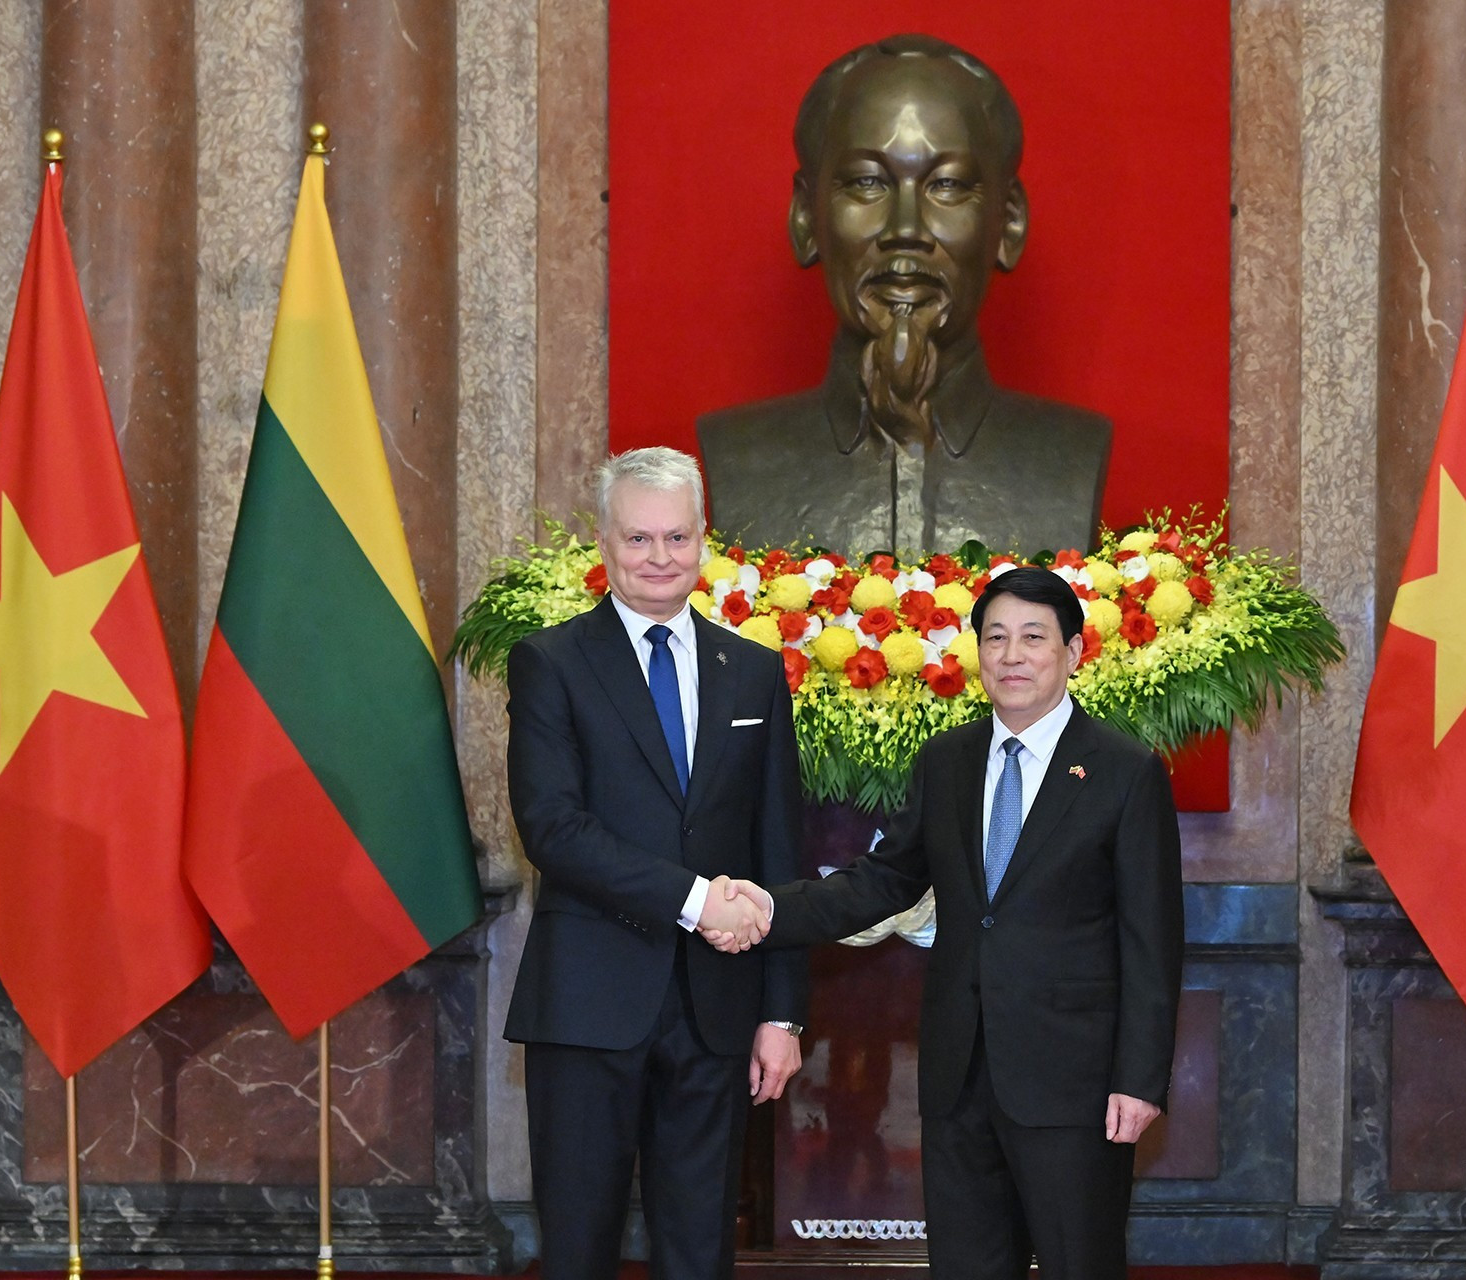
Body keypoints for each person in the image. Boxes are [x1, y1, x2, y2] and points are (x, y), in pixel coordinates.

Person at [710, 567, 1183, 1280]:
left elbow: (1153, 942)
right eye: (996, 638)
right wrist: (770, 908)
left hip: (1074, 1083)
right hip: (960, 1075)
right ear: (977, 654)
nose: (1012, 656)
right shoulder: (947, 762)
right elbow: (886, 881)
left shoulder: (1124, 771)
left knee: (1078, 1263)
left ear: (1075, 654)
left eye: (1033, 638)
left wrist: (1140, 1080)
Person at [503, 446, 807, 1280]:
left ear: (704, 540)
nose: (660, 559)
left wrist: (783, 1015)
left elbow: (779, 847)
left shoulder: (751, 671)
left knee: (700, 1246)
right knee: (578, 1244)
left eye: (677, 538)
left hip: (718, 1010)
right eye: (639, 540)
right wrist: (696, 900)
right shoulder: (552, 663)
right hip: (588, 1002)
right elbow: (553, 830)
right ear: (604, 544)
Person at [697, 34, 1111, 557]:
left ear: (1008, 222)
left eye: (948, 185)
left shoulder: (1072, 455)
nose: (906, 228)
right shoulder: (737, 454)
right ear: (806, 217)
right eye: (868, 183)